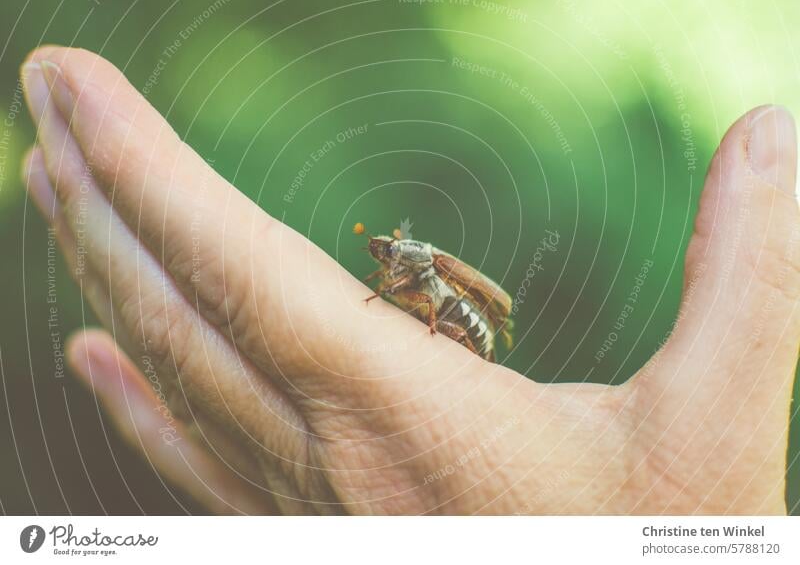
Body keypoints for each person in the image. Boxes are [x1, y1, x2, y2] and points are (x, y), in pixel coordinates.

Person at [20, 46, 799, 514]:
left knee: (455, 313)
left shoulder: (428, 280)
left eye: (391, 255)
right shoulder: (396, 269)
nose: (386, 262)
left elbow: (455, 301)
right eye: (386, 257)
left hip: (465, 314)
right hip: (446, 314)